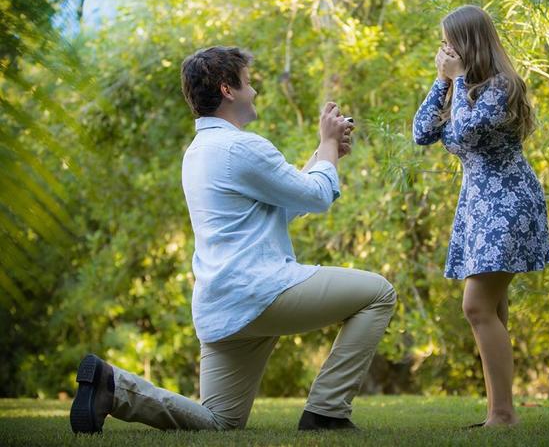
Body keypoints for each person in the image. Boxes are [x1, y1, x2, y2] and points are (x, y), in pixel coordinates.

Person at [70, 46, 396, 434]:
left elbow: (284, 203)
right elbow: (315, 196)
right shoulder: (241, 146)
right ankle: (326, 412)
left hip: (222, 307)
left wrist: (325, 154)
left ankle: (113, 387)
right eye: (249, 83)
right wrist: (326, 145)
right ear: (228, 89)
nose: (255, 91)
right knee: (379, 293)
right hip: (260, 292)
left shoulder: (198, 153)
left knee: (220, 422)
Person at [412, 5, 549, 427]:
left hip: (508, 201)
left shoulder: (500, 86)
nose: (444, 50)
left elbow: (467, 133)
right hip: (479, 205)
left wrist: (455, 80)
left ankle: (504, 413)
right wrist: (443, 81)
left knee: (476, 306)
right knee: (491, 307)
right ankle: (499, 413)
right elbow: (422, 133)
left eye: (449, 43)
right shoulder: (465, 86)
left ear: (468, 41)